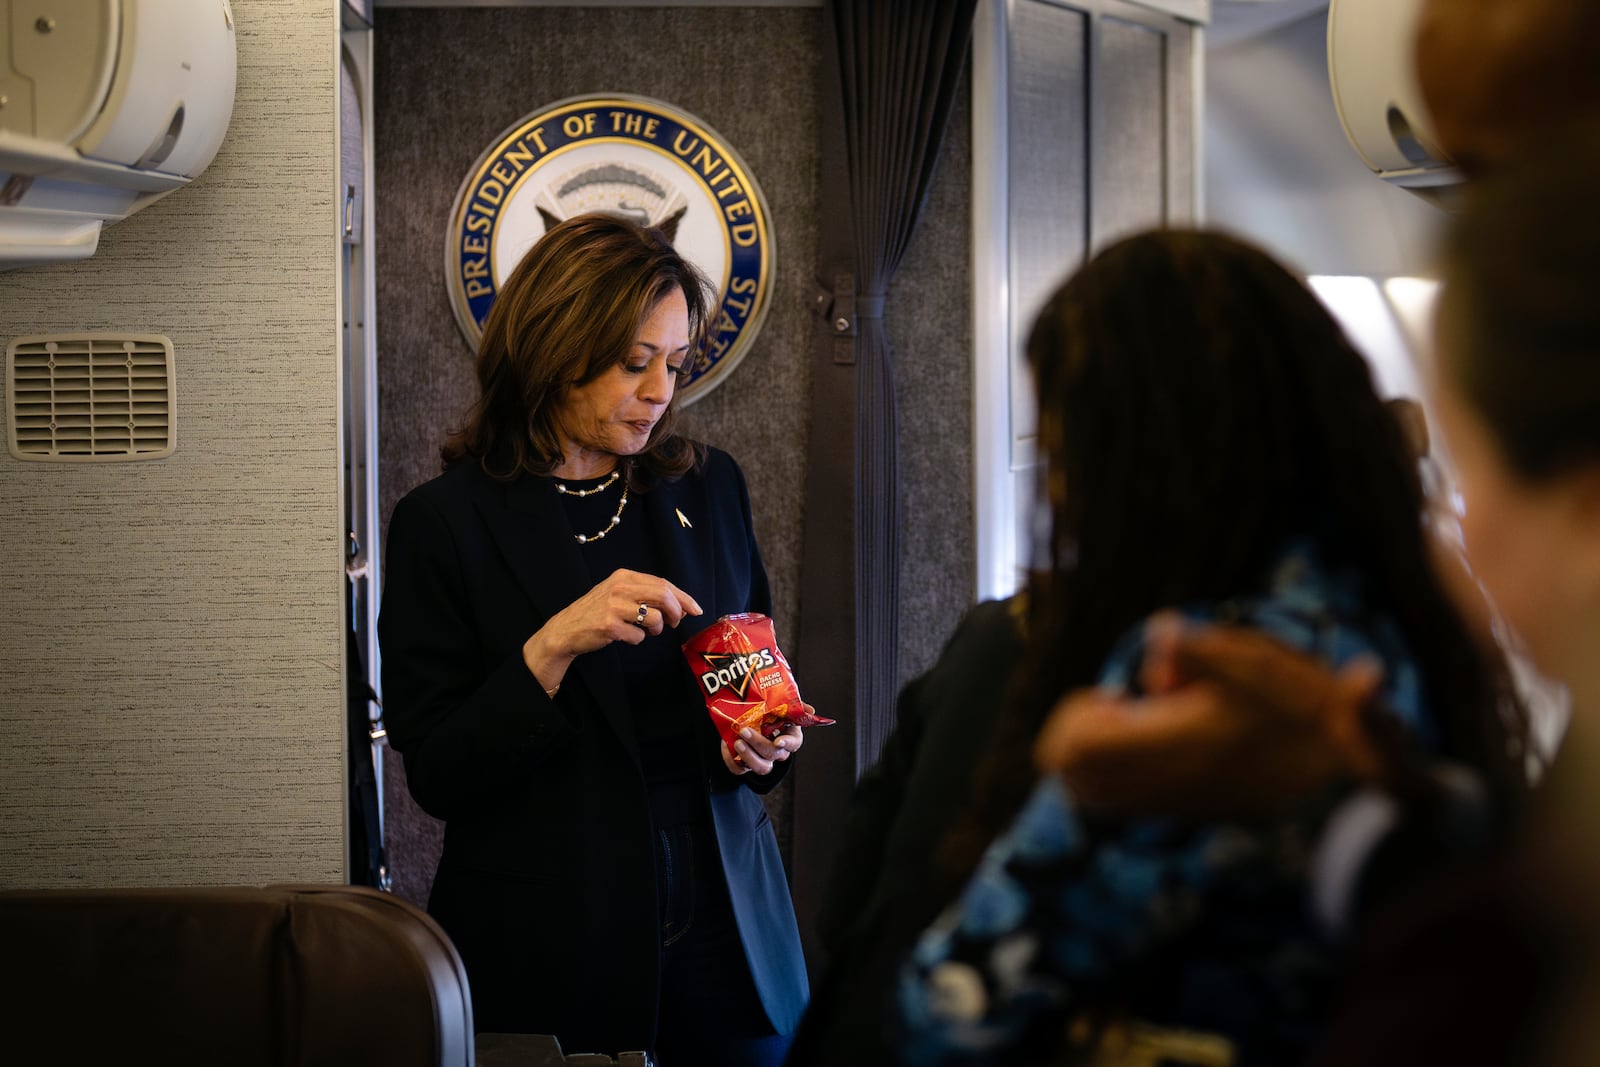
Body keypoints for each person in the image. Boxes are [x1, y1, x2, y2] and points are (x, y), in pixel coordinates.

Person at [889, 229, 1529, 1067]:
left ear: (1136, 455)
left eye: (1062, 443)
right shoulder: (1400, 612)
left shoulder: (1202, 672)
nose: (1056, 484)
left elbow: (952, 1008)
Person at [378, 213, 807, 1066]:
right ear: (551, 348)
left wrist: (763, 738)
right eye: (632, 363)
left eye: (676, 364)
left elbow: (753, 678)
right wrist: (552, 647)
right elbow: (439, 774)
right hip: (553, 935)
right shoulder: (444, 522)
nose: (659, 391)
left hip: (729, 921)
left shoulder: (711, 485)